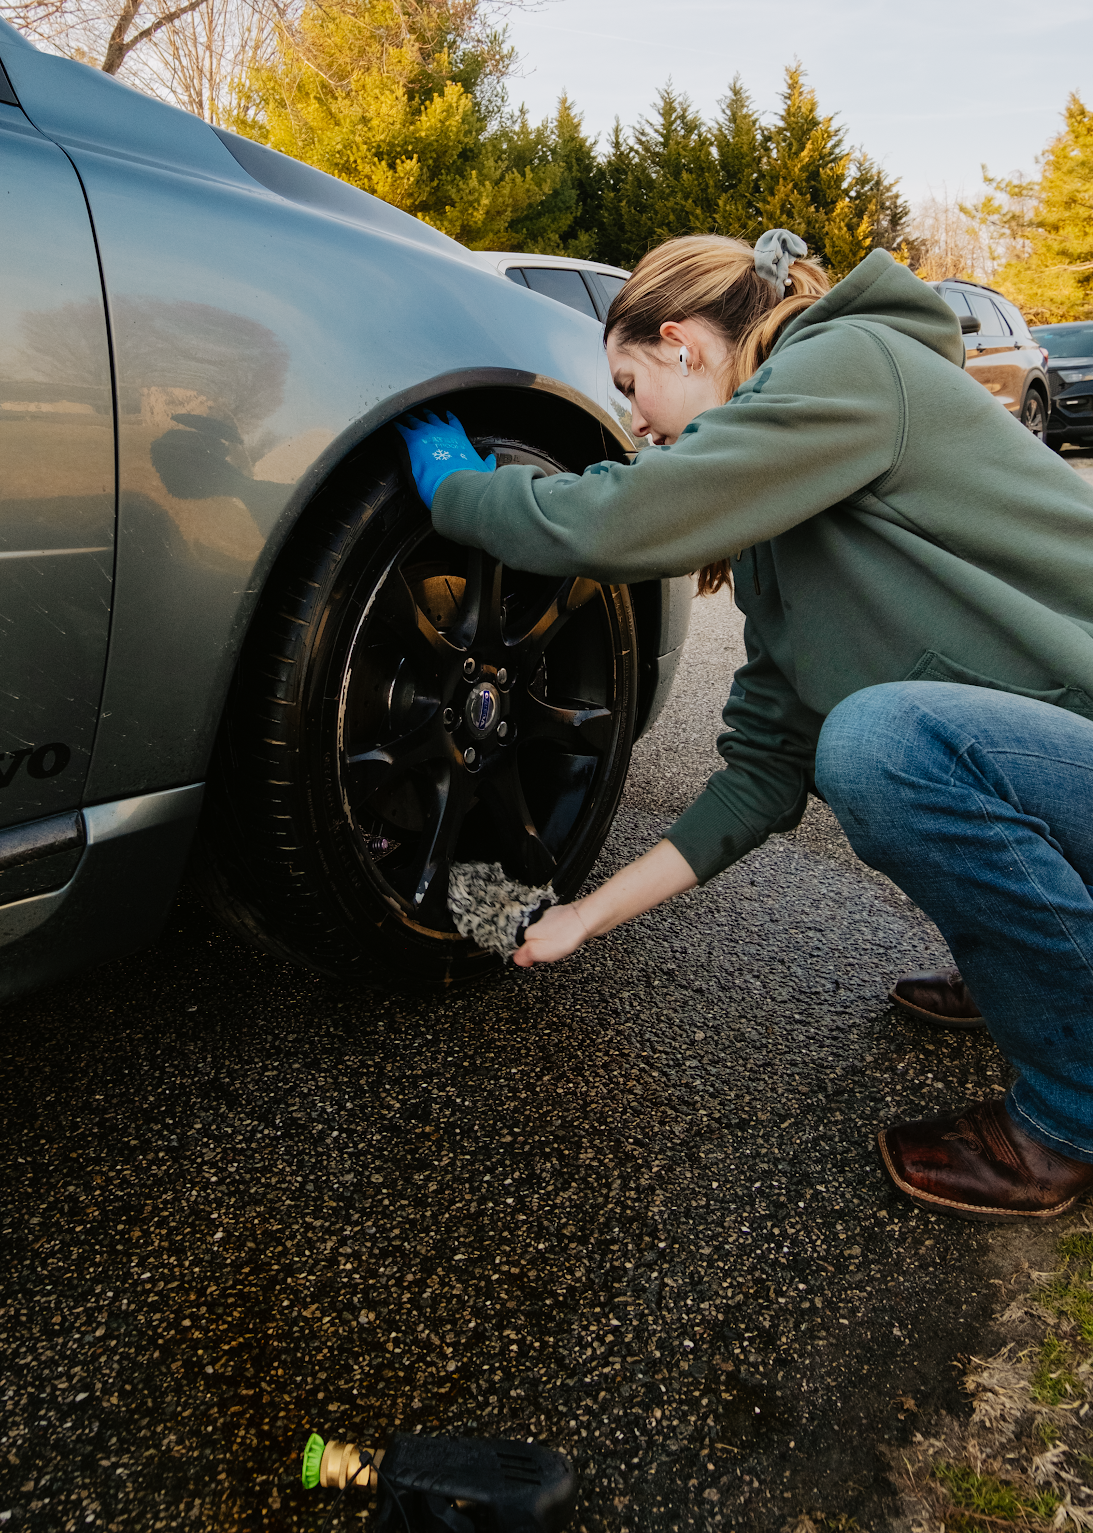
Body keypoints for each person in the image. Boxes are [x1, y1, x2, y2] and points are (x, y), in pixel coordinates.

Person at [398, 231, 1093, 1220]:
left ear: (680, 343)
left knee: (882, 748)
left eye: (631, 386)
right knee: (876, 747)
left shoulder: (848, 363)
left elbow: (627, 517)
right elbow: (760, 777)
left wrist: (464, 494)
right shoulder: (781, 552)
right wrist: (580, 919)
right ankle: (1028, 975)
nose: (634, 425)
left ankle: (1072, 1115)